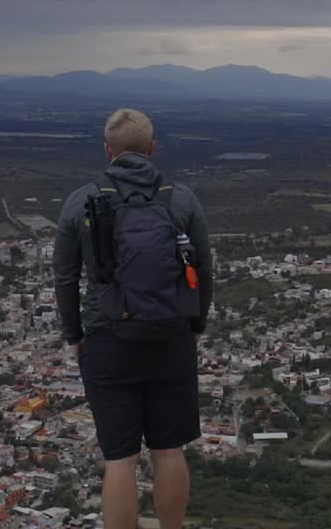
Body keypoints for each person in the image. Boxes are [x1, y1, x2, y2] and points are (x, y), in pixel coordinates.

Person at [53, 108, 213, 529]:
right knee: (169, 449)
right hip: (171, 335)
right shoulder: (181, 199)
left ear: (108, 151)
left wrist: (74, 335)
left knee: (120, 459)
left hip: (106, 340)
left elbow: (65, 278)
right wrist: (195, 326)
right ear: (151, 149)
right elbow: (205, 271)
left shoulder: (80, 201)